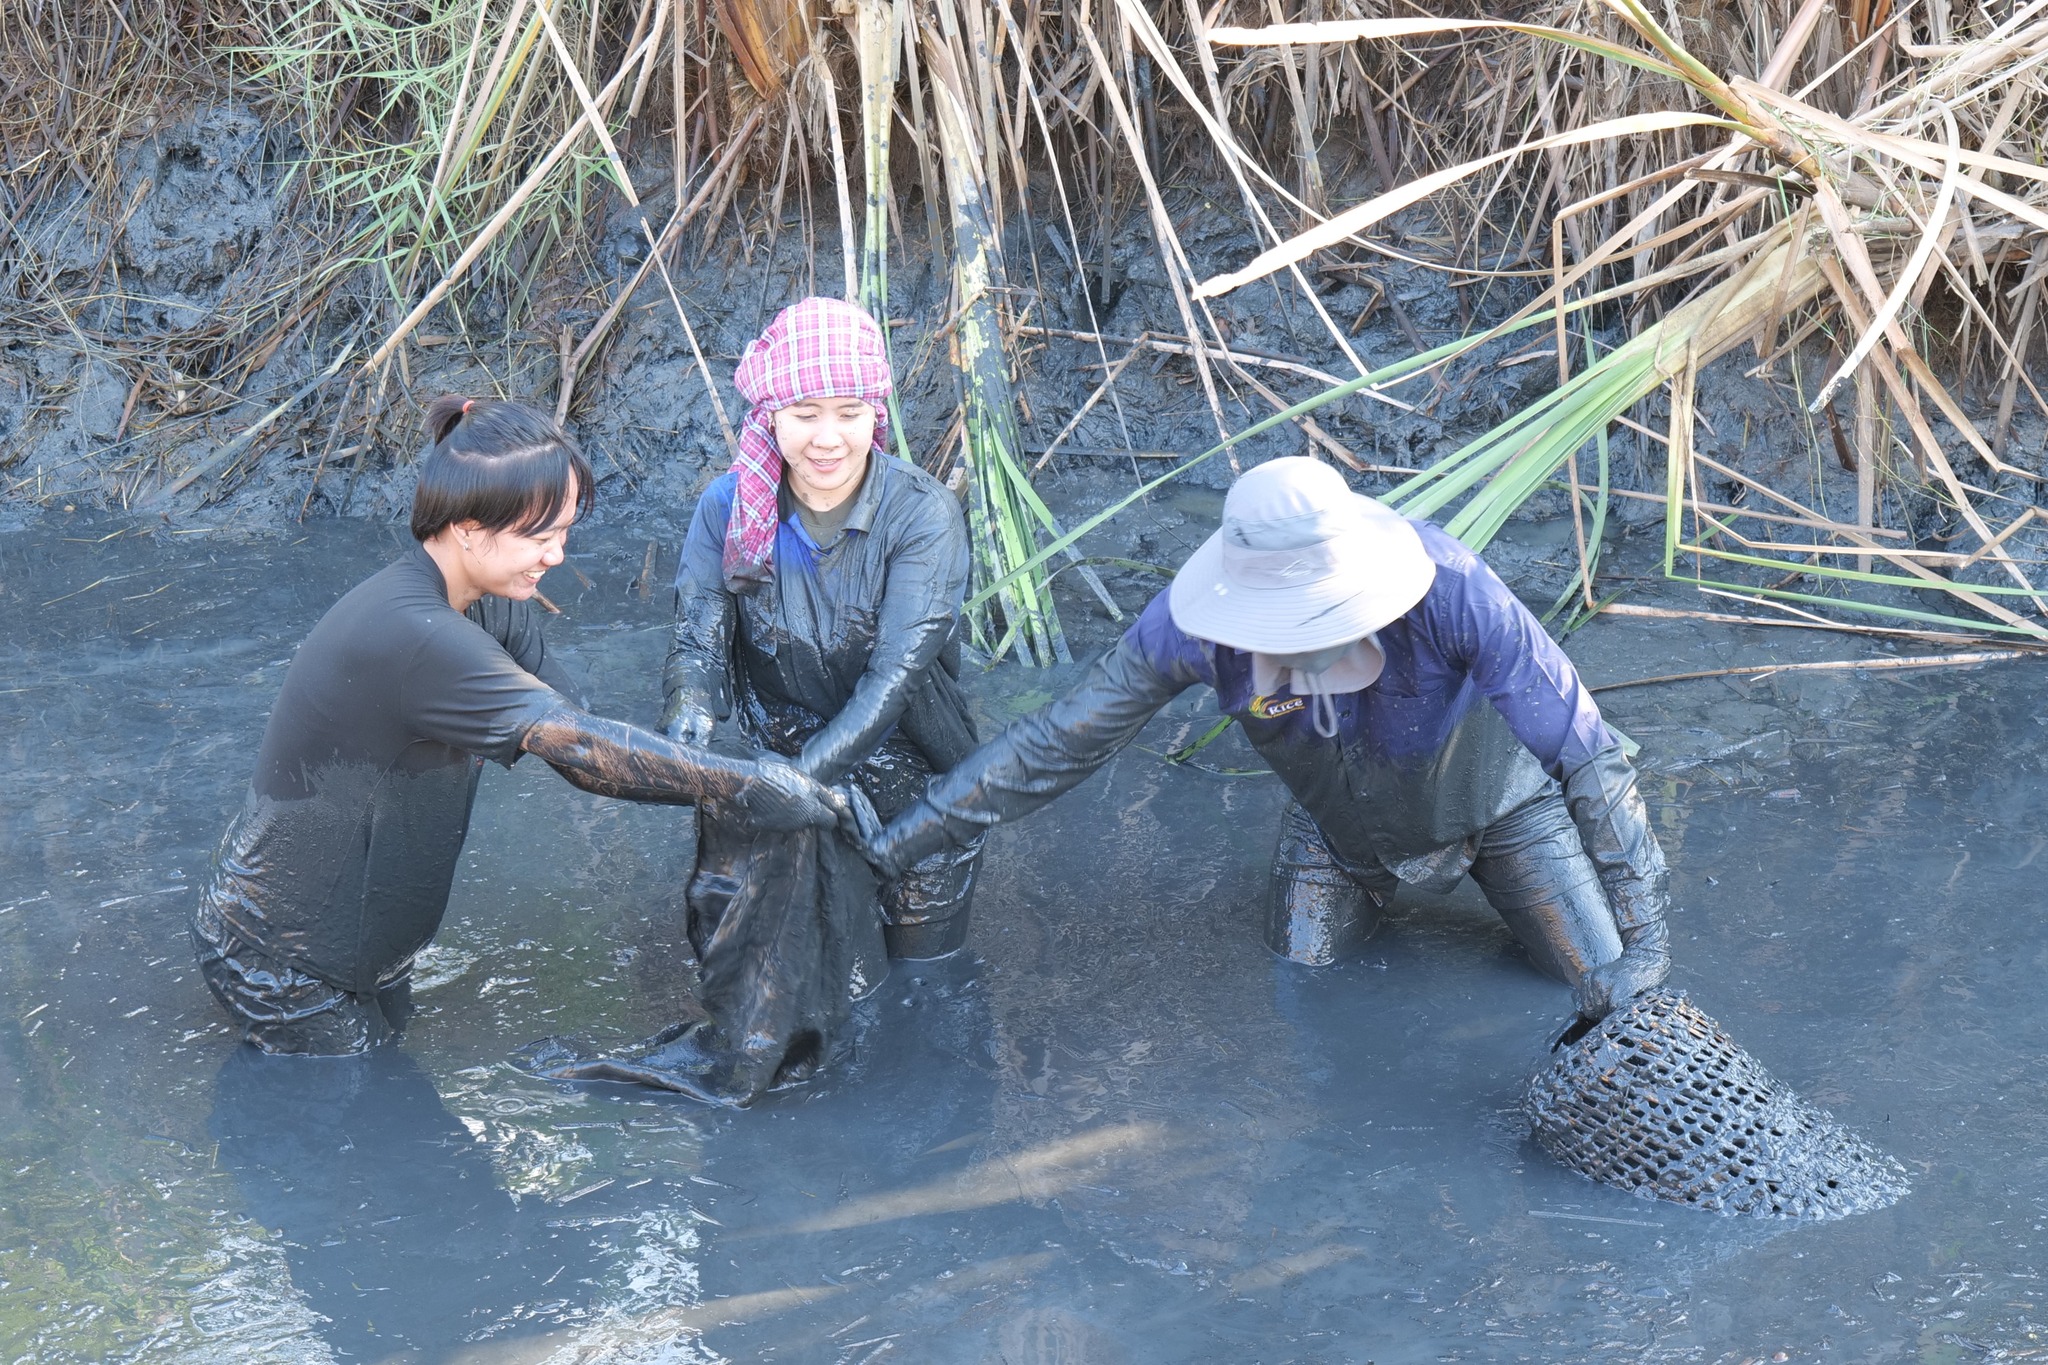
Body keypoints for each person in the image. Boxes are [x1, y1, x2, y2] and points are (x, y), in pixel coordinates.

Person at [861, 456, 1672, 1021]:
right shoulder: (1191, 624)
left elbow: (1587, 752)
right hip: (1338, 833)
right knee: (1306, 988)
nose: (1294, 647)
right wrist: (895, 846)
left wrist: (1645, 942)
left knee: (1601, 988)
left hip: (1504, 810)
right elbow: (1054, 744)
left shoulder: (1452, 589)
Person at [190, 396, 848, 1056]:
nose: (556, 555)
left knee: (385, 1086)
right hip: (281, 960)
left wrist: (718, 768)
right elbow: (579, 746)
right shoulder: (416, 637)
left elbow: (582, 736)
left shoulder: (488, 606)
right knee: (362, 1106)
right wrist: (744, 784)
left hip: (357, 942)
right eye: (539, 537)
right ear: (467, 529)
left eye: (564, 532)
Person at [662, 296, 983, 963]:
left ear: (876, 413)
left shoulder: (923, 515)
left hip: (919, 793)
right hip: (782, 771)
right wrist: (688, 708)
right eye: (805, 415)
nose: (828, 438)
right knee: (799, 974)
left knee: (925, 984)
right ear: (771, 415)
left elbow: (894, 680)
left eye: (849, 413)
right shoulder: (726, 507)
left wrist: (796, 783)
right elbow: (698, 640)